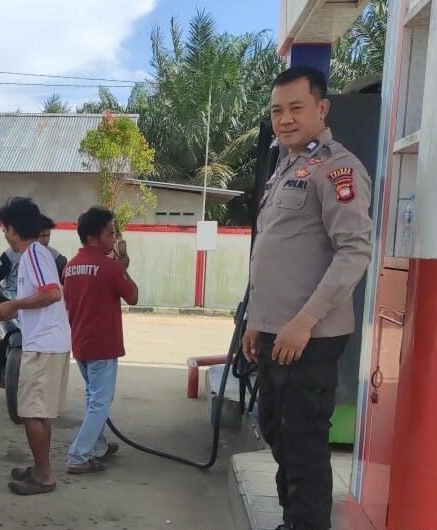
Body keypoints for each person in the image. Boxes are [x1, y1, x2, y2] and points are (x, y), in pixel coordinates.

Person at [242, 67, 372, 530]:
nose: (285, 119)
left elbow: (354, 250)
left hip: (309, 337)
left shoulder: (338, 168)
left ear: (322, 109)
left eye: (297, 108)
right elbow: (277, 256)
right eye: (278, 110)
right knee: (279, 434)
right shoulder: (287, 166)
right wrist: (258, 321)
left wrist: (304, 322)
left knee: (303, 445)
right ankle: (293, 522)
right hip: (277, 332)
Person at [0, 197, 71, 496]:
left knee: (30, 413)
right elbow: (37, 299)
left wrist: (15, 304)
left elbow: (51, 294)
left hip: (44, 344)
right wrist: (0, 313)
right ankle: (39, 468)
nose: (3, 233)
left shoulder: (33, 255)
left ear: (11, 229)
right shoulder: (36, 255)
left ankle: (44, 476)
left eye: (4, 228)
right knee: (39, 412)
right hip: (48, 341)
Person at [62, 207, 138, 474]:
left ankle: (98, 446)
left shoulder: (70, 267)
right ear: (93, 238)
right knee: (100, 402)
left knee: (92, 398)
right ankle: (78, 456)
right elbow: (133, 297)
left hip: (81, 343)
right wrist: (124, 269)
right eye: (110, 233)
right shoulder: (109, 267)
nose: (114, 239)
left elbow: (69, 305)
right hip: (103, 346)